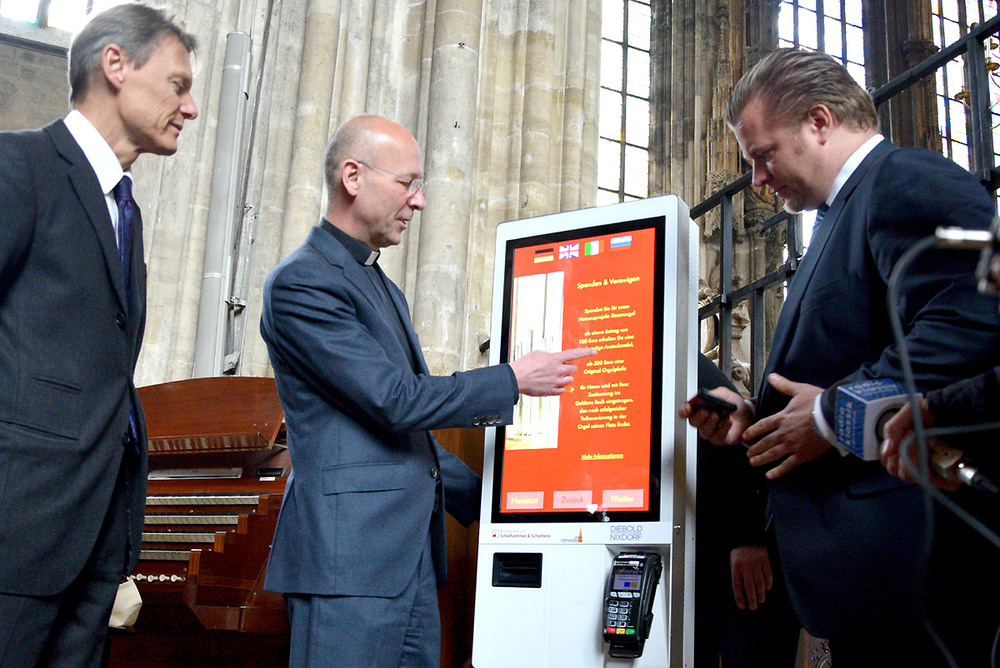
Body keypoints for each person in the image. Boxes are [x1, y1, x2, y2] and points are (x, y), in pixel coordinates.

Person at [680, 48, 1000, 667]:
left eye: (763, 154)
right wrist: (755, 416)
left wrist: (832, 415)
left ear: (819, 122)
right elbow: (846, 367)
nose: (757, 180)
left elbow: (973, 320)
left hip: (919, 567)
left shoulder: (905, 179)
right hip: (863, 581)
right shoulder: (836, 219)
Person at [259, 114, 593, 667]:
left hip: (407, 560)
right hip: (348, 564)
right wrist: (513, 378)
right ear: (352, 176)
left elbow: (399, 437)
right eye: (407, 183)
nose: (418, 202)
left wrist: (503, 506)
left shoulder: (380, 285)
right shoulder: (304, 281)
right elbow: (397, 401)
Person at [0, 5, 198, 666]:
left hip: (95, 541)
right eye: (177, 84)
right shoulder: (19, 167)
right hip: (17, 531)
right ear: (116, 65)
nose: (190, 107)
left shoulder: (126, 213)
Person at [694, 354, 800, 668]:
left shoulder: (675, 355)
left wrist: (748, 535)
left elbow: (744, 443)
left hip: (739, 554)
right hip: (701, 557)